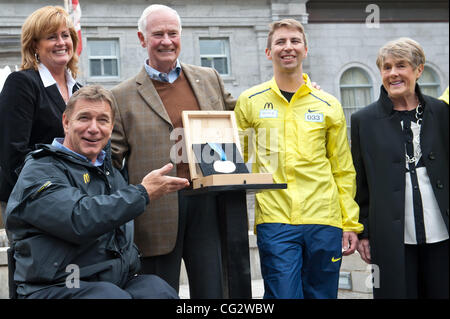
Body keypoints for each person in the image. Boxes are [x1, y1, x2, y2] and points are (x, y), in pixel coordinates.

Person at [5, 85, 189, 299]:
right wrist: (143, 192)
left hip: (110, 282)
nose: (93, 128)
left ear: (111, 127)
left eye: (102, 120)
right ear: (66, 122)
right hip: (53, 285)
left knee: (158, 291)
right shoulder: (41, 169)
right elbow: (79, 219)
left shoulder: (111, 171)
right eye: (84, 118)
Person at [110, 4, 235, 298]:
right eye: (158, 34)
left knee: (212, 292)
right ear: (142, 39)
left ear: (181, 36)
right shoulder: (120, 96)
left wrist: (297, 86)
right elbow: (111, 162)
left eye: (172, 33)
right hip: (155, 213)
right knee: (157, 292)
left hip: (207, 203)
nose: (166, 40)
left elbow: (244, 114)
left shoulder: (209, 78)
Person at [234, 19, 362, 299]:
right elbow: (236, 162)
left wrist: (350, 223)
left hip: (324, 219)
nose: (287, 47)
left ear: (306, 49)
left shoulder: (328, 104)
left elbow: (342, 168)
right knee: (282, 295)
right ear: (268, 52)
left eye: (294, 41)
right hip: (275, 220)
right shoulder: (250, 101)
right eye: (280, 42)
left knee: (322, 295)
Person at [351, 38, 449, 299]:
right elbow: (360, 183)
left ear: (418, 70)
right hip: (391, 240)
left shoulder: (441, 112)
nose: (393, 73)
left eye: (401, 66)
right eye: (386, 67)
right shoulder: (364, 121)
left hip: (443, 234)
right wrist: (364, 233)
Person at [0, 6, 82, 227]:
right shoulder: (22, 84)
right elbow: (13, 155)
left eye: (65, 35)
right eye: (51, 37)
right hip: (34, 201)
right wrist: (51, 192)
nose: (61, 42)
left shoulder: (80, 91)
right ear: (35, 45)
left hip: (77, 201)